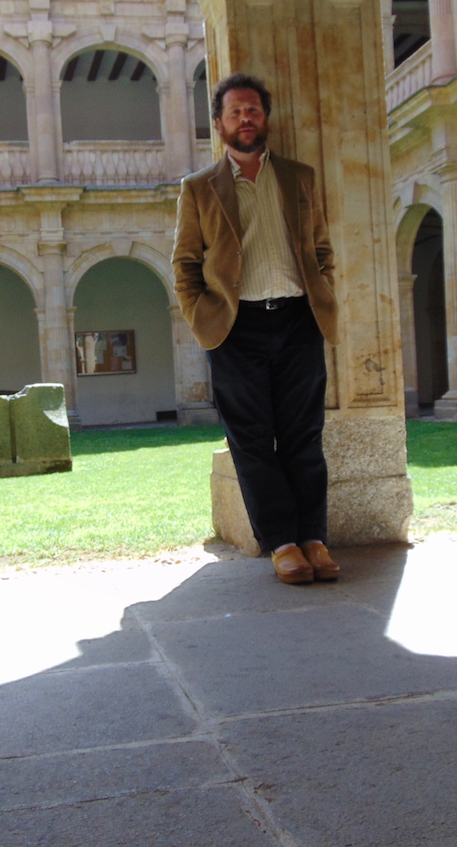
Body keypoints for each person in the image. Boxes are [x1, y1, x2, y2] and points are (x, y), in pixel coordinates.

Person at [172, 72, 340, 585]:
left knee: (303, 437)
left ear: (265, 119)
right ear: (220, 124)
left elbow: (321, 248)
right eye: (235, 112)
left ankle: (314, 537)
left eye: (254, 110)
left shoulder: (299, 177)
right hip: (235, 329)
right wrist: (204, 320)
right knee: (250, 441)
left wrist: (324, 290)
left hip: (297, 320)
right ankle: (282, 543)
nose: (246, 118)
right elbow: (185, 264)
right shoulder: (199, 188)